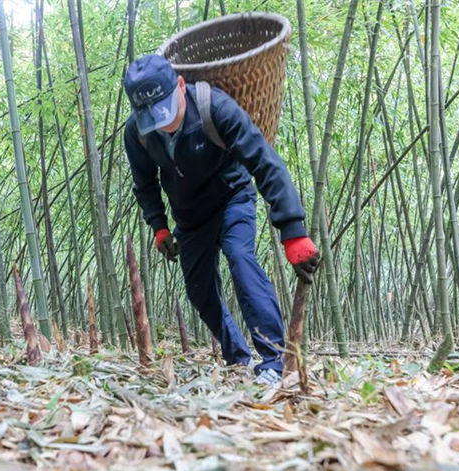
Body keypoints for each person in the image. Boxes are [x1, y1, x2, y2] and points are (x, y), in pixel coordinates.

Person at [123, 54, 319, 384]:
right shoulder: (137, 134)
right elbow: (144, 182)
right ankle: (237, 358)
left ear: (181, 87)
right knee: (198, 290)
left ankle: (273, 358)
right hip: (190, 216)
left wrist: (292, 230)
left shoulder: (215, 108)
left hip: (232, 196)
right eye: (152, 117)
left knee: (240, 258)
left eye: (166, 111)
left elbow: (264, 161)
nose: (163, 123)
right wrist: (159, 226)